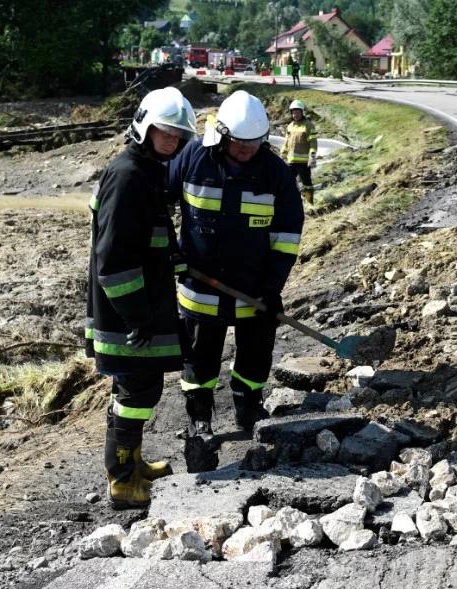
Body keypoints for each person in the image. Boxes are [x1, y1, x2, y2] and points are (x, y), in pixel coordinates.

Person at [166, 90, 304, 441]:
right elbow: (157, 201)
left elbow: (286, 238)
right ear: (223, 134)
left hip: (253, 290)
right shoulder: (192, 156)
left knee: (256, 358)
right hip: (199, 290)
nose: (246, 150)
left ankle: (248, 408)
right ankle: (199, 415)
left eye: (254, 143)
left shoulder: (277, 175)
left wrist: (272, 288)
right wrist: (167, 249)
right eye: (239, 143)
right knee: (199, 360)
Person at [86, 87, 196, 508]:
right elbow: (113, 260)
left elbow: (148, 236)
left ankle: (132, 462)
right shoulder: (128, 176)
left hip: (138, 306)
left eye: (177, 136)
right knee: (136, 393)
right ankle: (121, 480)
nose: (172, 142)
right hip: (127, 314)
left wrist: (177, 261)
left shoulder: (145, 170)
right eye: (166, 133)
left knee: (137, 389)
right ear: (144, 127)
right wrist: (137, 316)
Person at [283, 99, 318, 205]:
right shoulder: (290, 126)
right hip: (291, 161)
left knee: (307, 183)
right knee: (287, 182)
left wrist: (312, 157)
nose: (295, 115)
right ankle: (290, 202)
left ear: (302, 112)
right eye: (293, 112)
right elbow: (286, 141)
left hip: (303, 162)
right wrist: (282, 154)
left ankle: (310, 202)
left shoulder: (308, 125)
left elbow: (313, 142)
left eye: (297, 112)